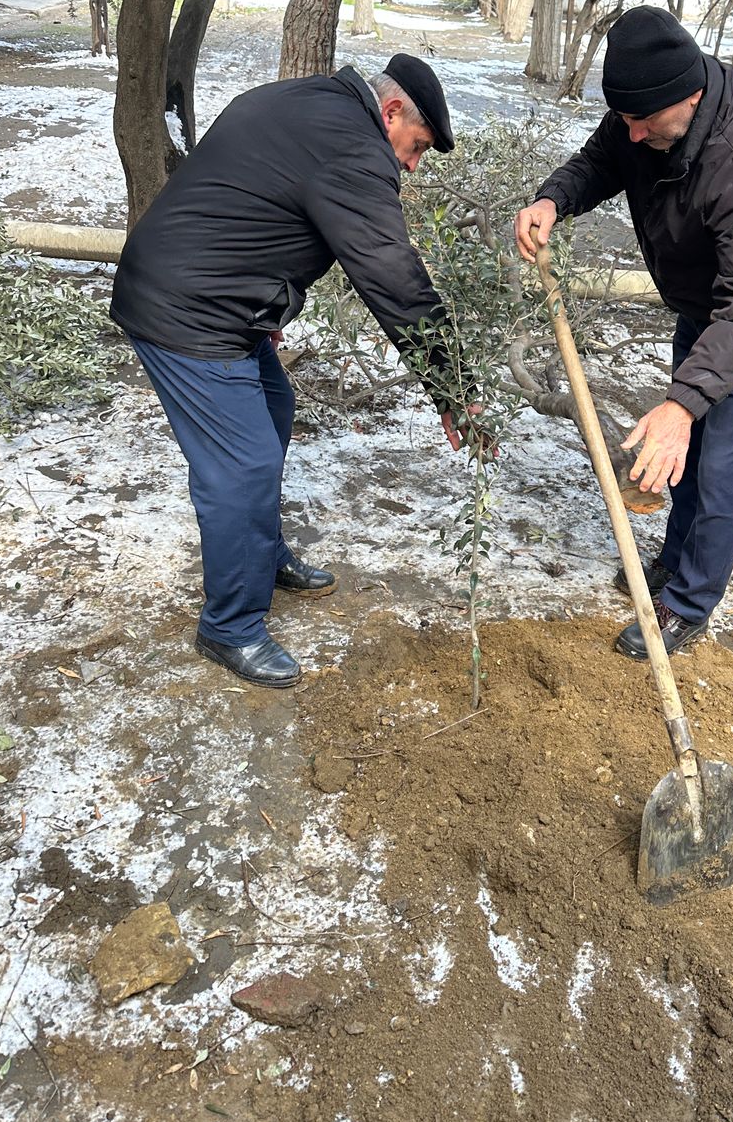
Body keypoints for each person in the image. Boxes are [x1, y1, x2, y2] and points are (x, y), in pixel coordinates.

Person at [111, 54, 478, 689]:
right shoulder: (354, 147)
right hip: (188, 311)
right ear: (391, 112)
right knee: (244, 463)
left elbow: (252, 192)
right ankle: (230, 626)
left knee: (274, 408)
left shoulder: (309, 101)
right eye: (417, 147)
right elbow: (395, 280)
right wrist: (453, 388)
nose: (412, 166)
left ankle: (259, 553)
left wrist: (266, 293)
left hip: (216, 296)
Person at [514, 7, 733, 660]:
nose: (630, 134)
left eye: (642, 122)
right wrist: (553, 198)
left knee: (718, 457)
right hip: (707, 296)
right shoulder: (646, 109)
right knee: (680, 443)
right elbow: (601, 159)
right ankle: (676, 557)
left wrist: (683, 405)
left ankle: (689, 602)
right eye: (624, 118)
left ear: (689, 97)